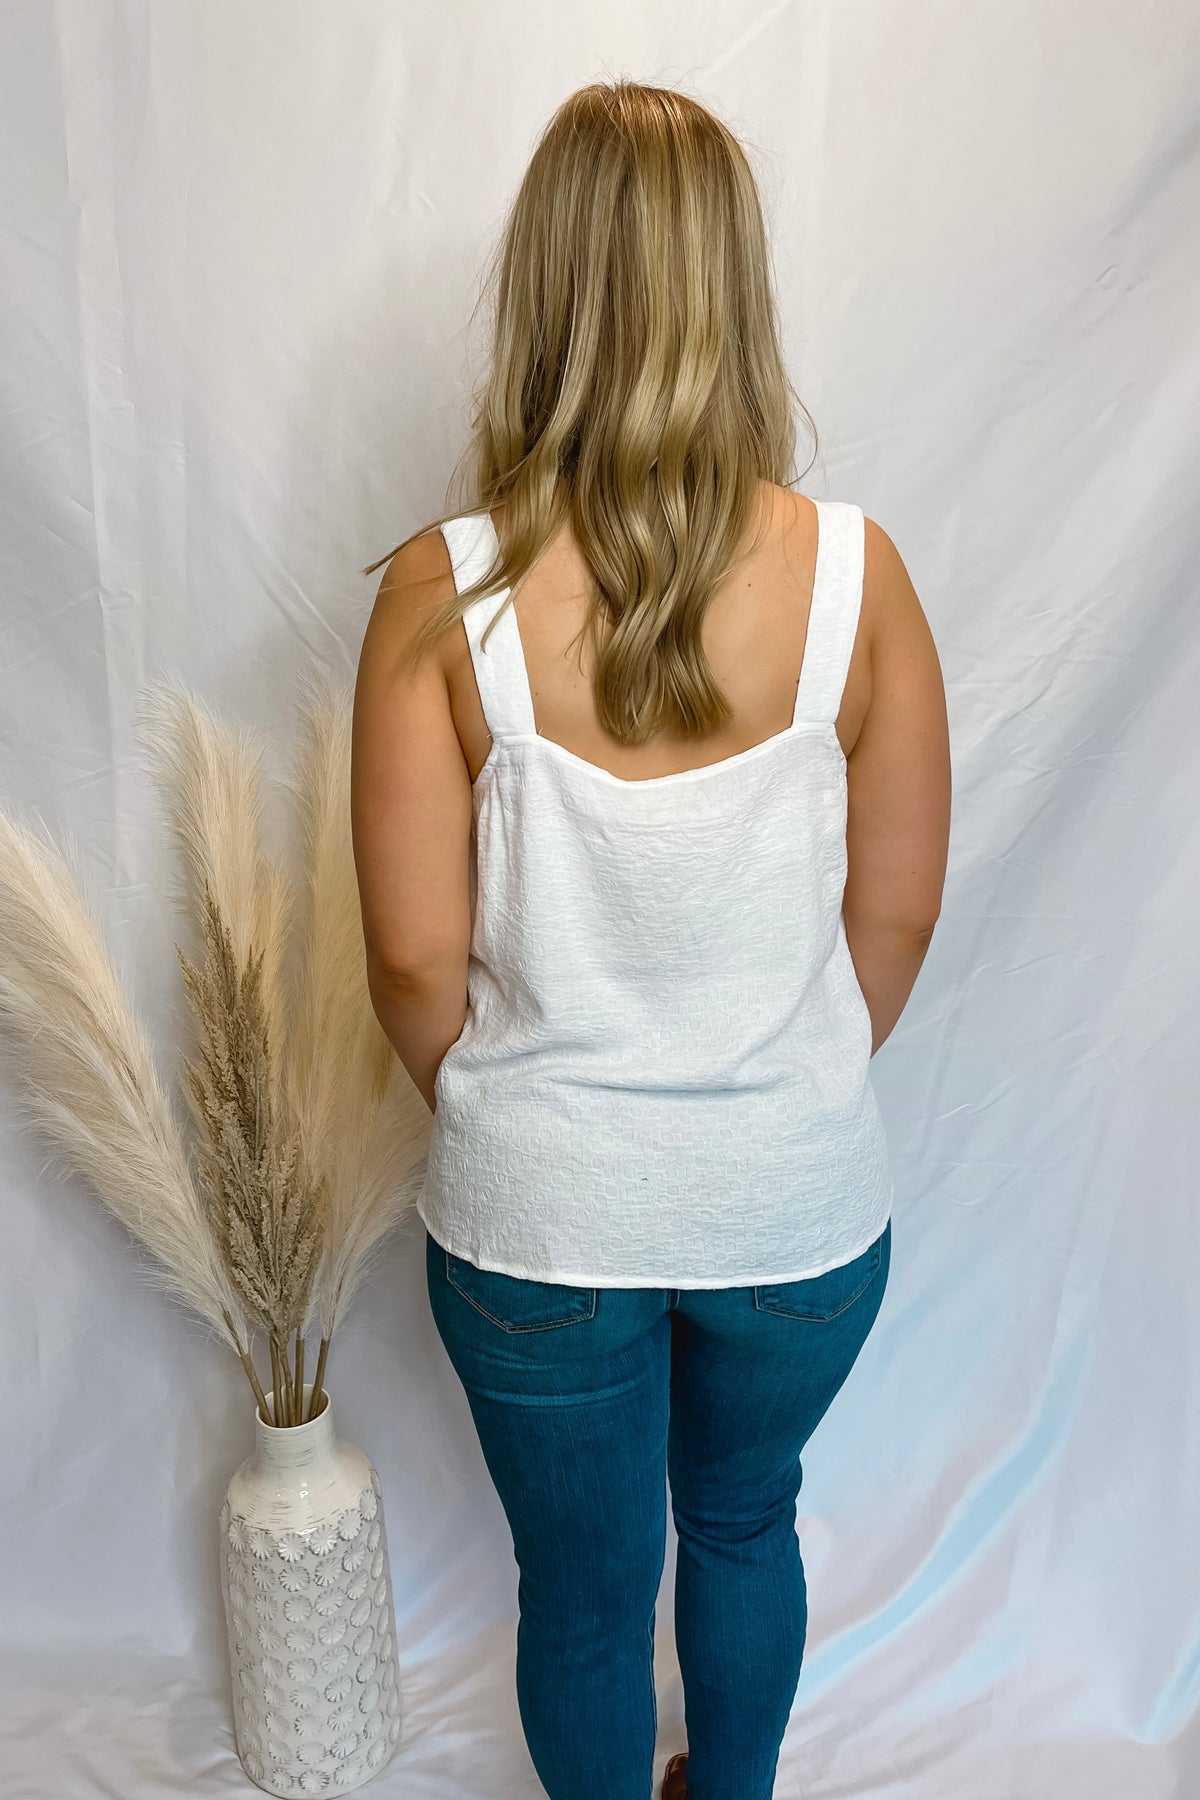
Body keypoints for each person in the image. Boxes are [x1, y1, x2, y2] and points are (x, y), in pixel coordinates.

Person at [351, 77, 950, 1800]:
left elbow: (409, 962)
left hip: (542, 1221)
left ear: (542, 290)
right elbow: (893, 912)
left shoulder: (440, 591)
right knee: (747, 1525)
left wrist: (516, 1106)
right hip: (798, 1206)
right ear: (731, 288)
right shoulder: (859, 576)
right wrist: (785, 1081)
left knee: (588, 1596)